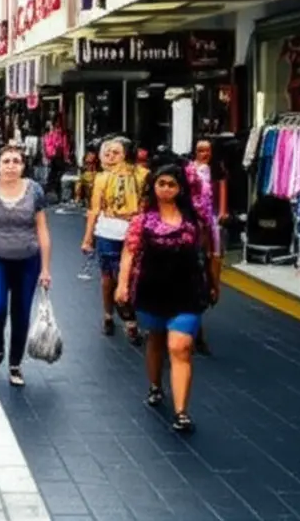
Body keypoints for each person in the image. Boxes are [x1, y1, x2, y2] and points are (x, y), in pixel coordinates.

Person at [115, 164, 218, 433]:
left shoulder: (195, 221)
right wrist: (122, 285)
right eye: (161, 183)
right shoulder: (142, 221)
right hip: (152, 289)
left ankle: (181, 411)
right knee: (157, 338)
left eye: (172, 184)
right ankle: (155, 385)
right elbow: (129, 252)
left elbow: (208, 254)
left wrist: (214, 283)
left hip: (188, 290)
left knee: (180, 347)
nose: (166, 189)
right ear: (154, 186)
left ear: (181, 188)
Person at [0, 144, 52, 387]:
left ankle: (15, 363)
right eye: (6, 161)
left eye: (16, 161)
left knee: (21, 313)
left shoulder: (34, 191)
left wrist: (45, 269)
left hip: (28, 260)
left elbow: (42, 230)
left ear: (23, 166)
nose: (11, 166)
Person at [80, 137, 145, 344]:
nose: (110, 157)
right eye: (106, 154)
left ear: (125, 154)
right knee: (109, 277)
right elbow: (94, 210)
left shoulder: (143, 175)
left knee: (131, 276)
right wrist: (88, 238)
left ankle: (128, 315)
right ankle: (113, 316)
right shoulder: (100, 178)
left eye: (115, 153)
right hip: (108, 231)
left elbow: (147, 204)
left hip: (134, 230)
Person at [190, 138, 226, 355]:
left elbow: (221, 196)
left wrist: (221, 213)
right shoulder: (189, 171)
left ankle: (213, 288)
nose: (204, 154)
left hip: (210, 222)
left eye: (207, 150)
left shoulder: (216, 171)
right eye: (200, 150)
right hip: (195, 223)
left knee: (213, 260)